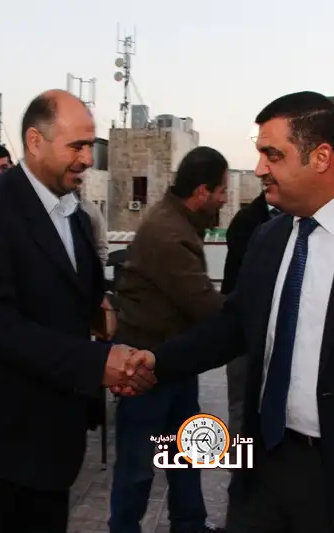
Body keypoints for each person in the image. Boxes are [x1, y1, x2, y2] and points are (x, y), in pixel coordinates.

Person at [119, 92, 334, 533]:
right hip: (264, 469)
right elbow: (234, 327)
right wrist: (157, 361)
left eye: (273, 155)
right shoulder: (269, 239)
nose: (260, 168)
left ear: (321, 157)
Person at [0, 90, 154, 533]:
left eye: (90, 146)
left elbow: (74, 299)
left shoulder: (73, 213)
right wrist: (95, 364)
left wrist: (105, 329)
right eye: (77, 146)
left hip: (47, 450)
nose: (87, 158)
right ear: (35, 142)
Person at [109, 146, 229, 533]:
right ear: (201, 191)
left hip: (173, 360)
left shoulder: (179, 222)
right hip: (146, 366)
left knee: (186, 453)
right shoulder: (169, 233)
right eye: (222, 190)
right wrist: (252, 308)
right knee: (138, 465)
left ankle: (190, 524)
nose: (225, 199)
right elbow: (204, 304)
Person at [221, 192, 281, 437]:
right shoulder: (247, 221)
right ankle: (240, 457)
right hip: (244, 329)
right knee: (241, 404)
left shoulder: (300, 220)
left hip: (276, 332)